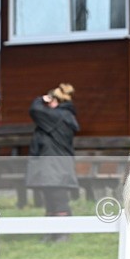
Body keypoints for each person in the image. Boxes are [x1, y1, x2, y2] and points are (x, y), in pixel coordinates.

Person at [25, 83, 79, 241]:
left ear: (56, 101)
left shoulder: (58, 116)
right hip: (53, 165)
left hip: (56, 166)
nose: (46, 105)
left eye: (49, 101)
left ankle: (62, 234)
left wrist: (39, 99)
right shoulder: (61, 116)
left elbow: (34, 110)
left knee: (59, 200)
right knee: (50, 201)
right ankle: (51, 232)